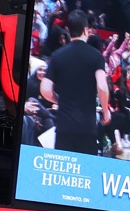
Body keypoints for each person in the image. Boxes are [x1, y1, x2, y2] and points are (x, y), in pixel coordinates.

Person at [40, 9, 109, 154]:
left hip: (63, 127)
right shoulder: (96, 56)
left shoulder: (57, 55)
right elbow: (102, 87)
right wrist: (106, 111)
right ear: (85, 30)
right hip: (87, 128)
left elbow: (45, 89)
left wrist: (59, 100)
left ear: (69, 30)